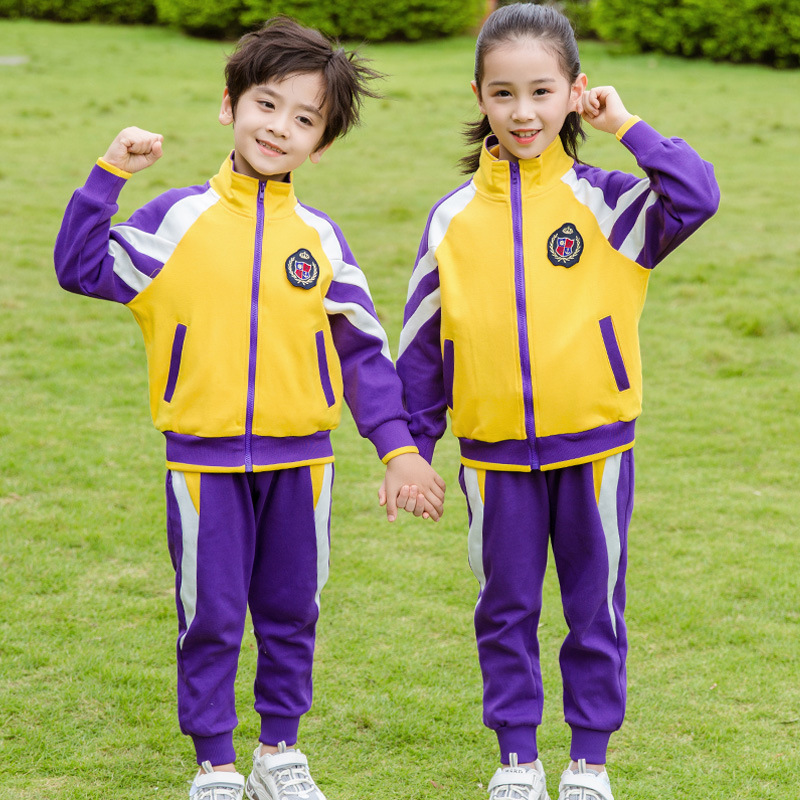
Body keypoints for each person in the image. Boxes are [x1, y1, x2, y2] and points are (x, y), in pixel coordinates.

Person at [54, 16, 445, 800]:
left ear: (322, 145)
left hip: (304, 465)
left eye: (306, 119)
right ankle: (215, 765)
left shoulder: (323, 241)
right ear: (229, 105)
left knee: (292, 611)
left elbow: (365, 354)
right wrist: (110, 173)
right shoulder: (175, 221)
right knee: (212, 616)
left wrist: (399, 448)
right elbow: (78, 264)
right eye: (269, 105)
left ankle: (279, 753)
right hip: (203, 464)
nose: (282, 127)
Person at [396, 4, 719, 800]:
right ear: (480, 97)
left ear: (574, 93)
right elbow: (422, 346)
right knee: (503, 609)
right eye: (503, 94)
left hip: (596, 445)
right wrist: (410, 446)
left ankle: (588, 762)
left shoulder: (609, 204)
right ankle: (516, 759)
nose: (523, 112)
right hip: (491, 455)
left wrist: (627, 127)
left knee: (594, 609)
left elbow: (697, 194)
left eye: (542, 91)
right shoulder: (451, 218)